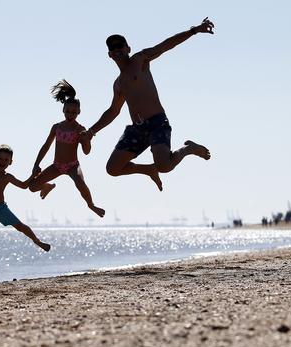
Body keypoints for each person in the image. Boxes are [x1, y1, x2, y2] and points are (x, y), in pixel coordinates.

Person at [85, 18, 214, 191]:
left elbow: (166, 45)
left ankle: (188, 149)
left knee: (165, 166)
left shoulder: (140, 60)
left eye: (120, 45)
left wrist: (194, 30)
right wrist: (91, 132)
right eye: (112, 48)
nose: (117, 49)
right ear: (109, 54)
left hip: (156, 123)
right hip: (137, 129)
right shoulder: (118, 84)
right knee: (113, 169)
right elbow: (113, 111)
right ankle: (148, 170)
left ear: (128, 48)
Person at [28, 80, 106, 218]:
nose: (70, 114)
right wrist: (36, 164)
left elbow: (87, 152)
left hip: (72, 165)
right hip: (56, 165)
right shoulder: (56, 127)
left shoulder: (80, 129)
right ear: (63, 110)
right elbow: (46, 146)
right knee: (32, 187)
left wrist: (86, 140)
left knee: (80, 183)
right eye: (68, 111)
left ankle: (91, 205)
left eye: (74, 112)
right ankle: (47, 186)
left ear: (79, 112)